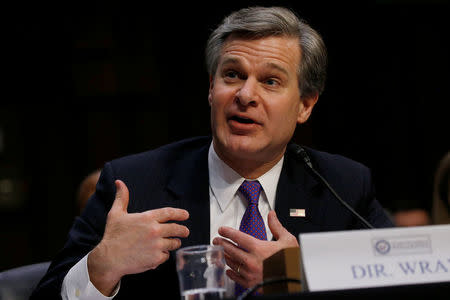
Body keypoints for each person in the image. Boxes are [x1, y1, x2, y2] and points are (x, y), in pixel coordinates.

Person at [31, 6, 393, 300]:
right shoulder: (135, 185)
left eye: (270, 81)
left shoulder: (342, 187)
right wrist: (101, 267)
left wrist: (301, 274)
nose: (245, 95)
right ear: (210, 88)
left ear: (305, 105)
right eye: (233, 75)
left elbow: (404, 280)